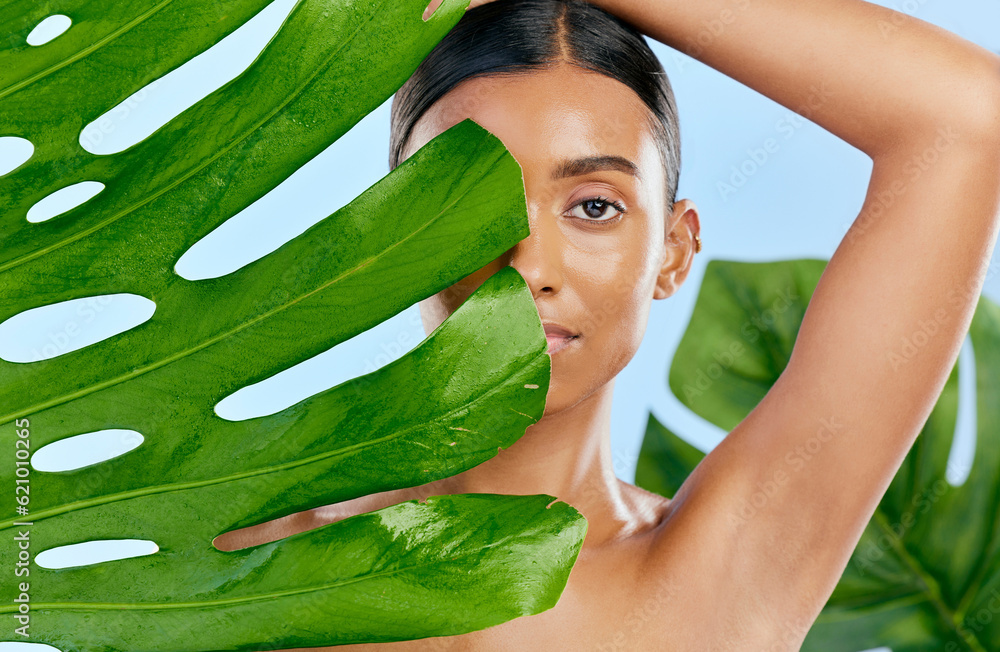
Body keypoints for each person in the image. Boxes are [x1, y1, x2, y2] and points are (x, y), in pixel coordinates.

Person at [217, 0, 1000, 648]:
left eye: (594, 206)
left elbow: (969, 119)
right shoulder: (252, 555)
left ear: (673, 250)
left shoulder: (725, 570)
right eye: (468, 200)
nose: (530, 265)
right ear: (395, 234)